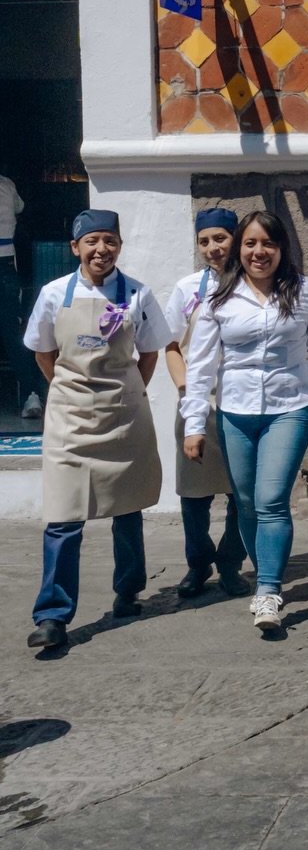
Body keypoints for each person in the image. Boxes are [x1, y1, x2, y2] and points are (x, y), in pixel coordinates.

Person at [183, 210, 308, 636]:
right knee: (247, 502)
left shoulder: (304, 291)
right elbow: (200, 367)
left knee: (271, 500)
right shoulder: (219, 297)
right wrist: (194, 424)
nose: (258, 252)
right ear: (239, 248)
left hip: (290, 406)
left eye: (267, 243)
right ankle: (262, 572)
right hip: (235, 410)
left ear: (281, 248)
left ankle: (269, 589)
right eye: (250, 243)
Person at [25, 209, 169, 651]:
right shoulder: (54, 294)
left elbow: (149, 354)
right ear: (76, 248)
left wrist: (127, 393)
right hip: (70, 419)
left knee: (127, 511)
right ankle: (52, 614)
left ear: (119, 246)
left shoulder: (138, 295)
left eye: (109, 240)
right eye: (91, 242)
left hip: (124, 416)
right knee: (63, 518)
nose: (100, 249)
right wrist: (69, 391)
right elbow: (42, 352)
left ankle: (128, 591)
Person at [163, 208, 247, 600]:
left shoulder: (253, 283)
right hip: (196, 402)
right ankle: (198, 564)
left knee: (240, 494)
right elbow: (172, 346)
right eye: (204, 241)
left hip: (242, 400)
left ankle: (231, 563)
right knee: (194, 495)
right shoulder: (187, 289)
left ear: (236, 237)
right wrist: (185, 391)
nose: (213, 248)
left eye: (220, 238)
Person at [1, 168, 40, 418]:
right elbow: (20, 208)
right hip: (4, 266)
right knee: (13, 334)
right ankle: (31, 396)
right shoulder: (6, 184)